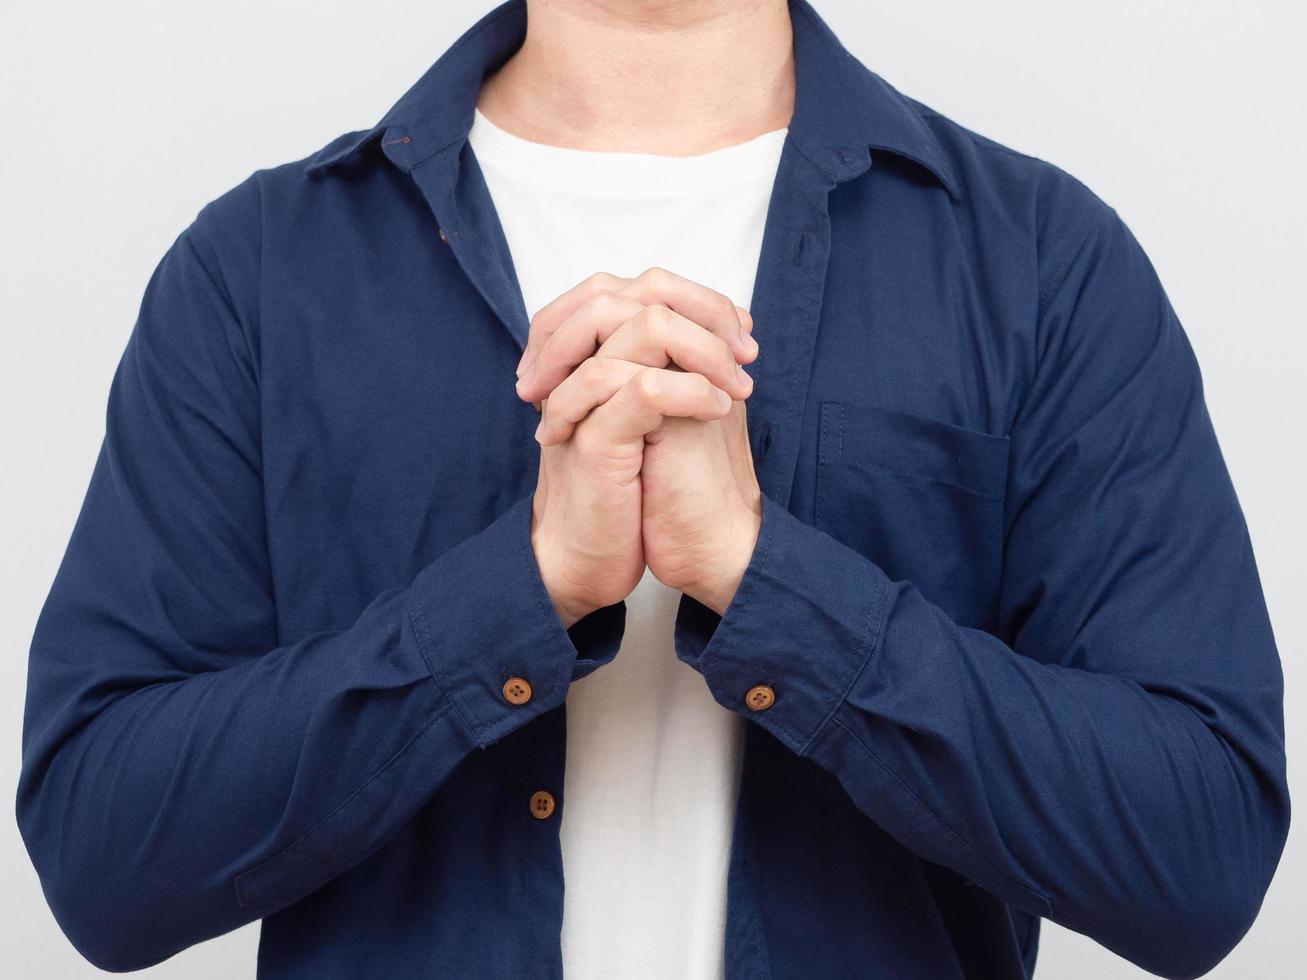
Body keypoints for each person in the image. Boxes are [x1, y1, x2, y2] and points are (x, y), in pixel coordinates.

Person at [16, 0, 1288, 977]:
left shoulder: (1038, 264)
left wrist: (761, 577)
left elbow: (1196, 856)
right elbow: (102, 855)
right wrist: (516, 593)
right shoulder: (259, 273)